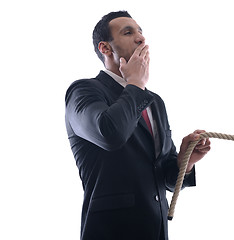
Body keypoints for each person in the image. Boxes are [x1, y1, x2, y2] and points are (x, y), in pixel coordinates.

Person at [65, 10, 211, 240]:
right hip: (110, 232)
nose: (141, 38)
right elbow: (110, 134)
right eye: (128, 32)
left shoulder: (154, 101)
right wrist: (135, 83)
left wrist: (185, 160)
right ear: (105, 48)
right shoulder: (83, 91)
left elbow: (166, 179)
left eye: (140, 32)